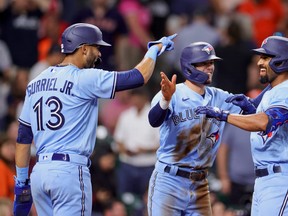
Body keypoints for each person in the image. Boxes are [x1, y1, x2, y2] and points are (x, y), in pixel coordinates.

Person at [13, 22, 177, 216]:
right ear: (83, 49)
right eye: (96, 48)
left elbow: (23, 138)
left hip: (40, 173)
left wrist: (22, 183)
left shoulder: (35, 83)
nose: (99, 54)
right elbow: (139, 76)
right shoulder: (85, 78)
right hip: (69, 172)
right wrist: (154, 50)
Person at [147, 42, 262, 215]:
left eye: (212, 63)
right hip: (169, 180)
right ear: (189, 67)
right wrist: (165, 100)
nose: (210, 67)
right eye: (204, 63)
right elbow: (154, 120)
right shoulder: (173, 92)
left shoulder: (219, 96)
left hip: (200, 183)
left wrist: (270, 88)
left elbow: (253, 109)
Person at [195, 35, 288, 215]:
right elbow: (261, 115)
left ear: (282, 61)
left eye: (266, 58)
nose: (260, 62)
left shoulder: (285, 90)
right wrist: (249, 107)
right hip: (265, 180)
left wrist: (224, 115)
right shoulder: (272, 90)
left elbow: (264, 122)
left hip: (281, 178)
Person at [113, 87, 159, 207]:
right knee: (124, 199)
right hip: (127, 164)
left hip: (148, 166)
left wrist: (144, 150)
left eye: (138, 97)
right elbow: (118, 139)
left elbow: (162, 144)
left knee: (147, 201)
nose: (135, 100)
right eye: (133, 98)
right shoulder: (126, 115)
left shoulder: (155, 116)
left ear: (145, 98)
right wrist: (124, 150)